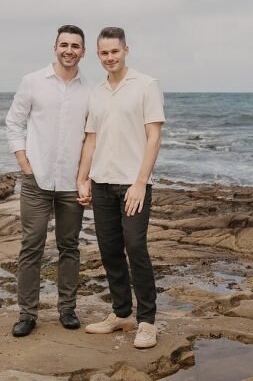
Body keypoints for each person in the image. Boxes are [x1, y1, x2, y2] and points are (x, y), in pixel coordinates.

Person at [76, 26, 165, 349]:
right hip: (101, 183)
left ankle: (147, 322)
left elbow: (154, 137)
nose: (110, 57)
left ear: (126, 50)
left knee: (136, 247)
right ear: (98, 55)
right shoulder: (96, 92)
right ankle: (122, 313)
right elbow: (91, 139)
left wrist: (140, 183)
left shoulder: (146, 85)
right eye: (104, 53)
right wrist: (82, 178)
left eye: (115, 51)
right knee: (109, 250)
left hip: (132, 185)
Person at [5, 24, 90, 337]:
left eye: (75, 46)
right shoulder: (32, 81)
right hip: (36, 180)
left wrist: (86, 178)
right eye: (64, 44)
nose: (69, 50)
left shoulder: (90, 90)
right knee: (32, 246)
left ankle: (67, 309)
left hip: (72, 183)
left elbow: (93, 137)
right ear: (55, 47)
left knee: (70, 247)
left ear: (83, 52)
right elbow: (14, 123)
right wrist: (24, 163)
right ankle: (27, 314)